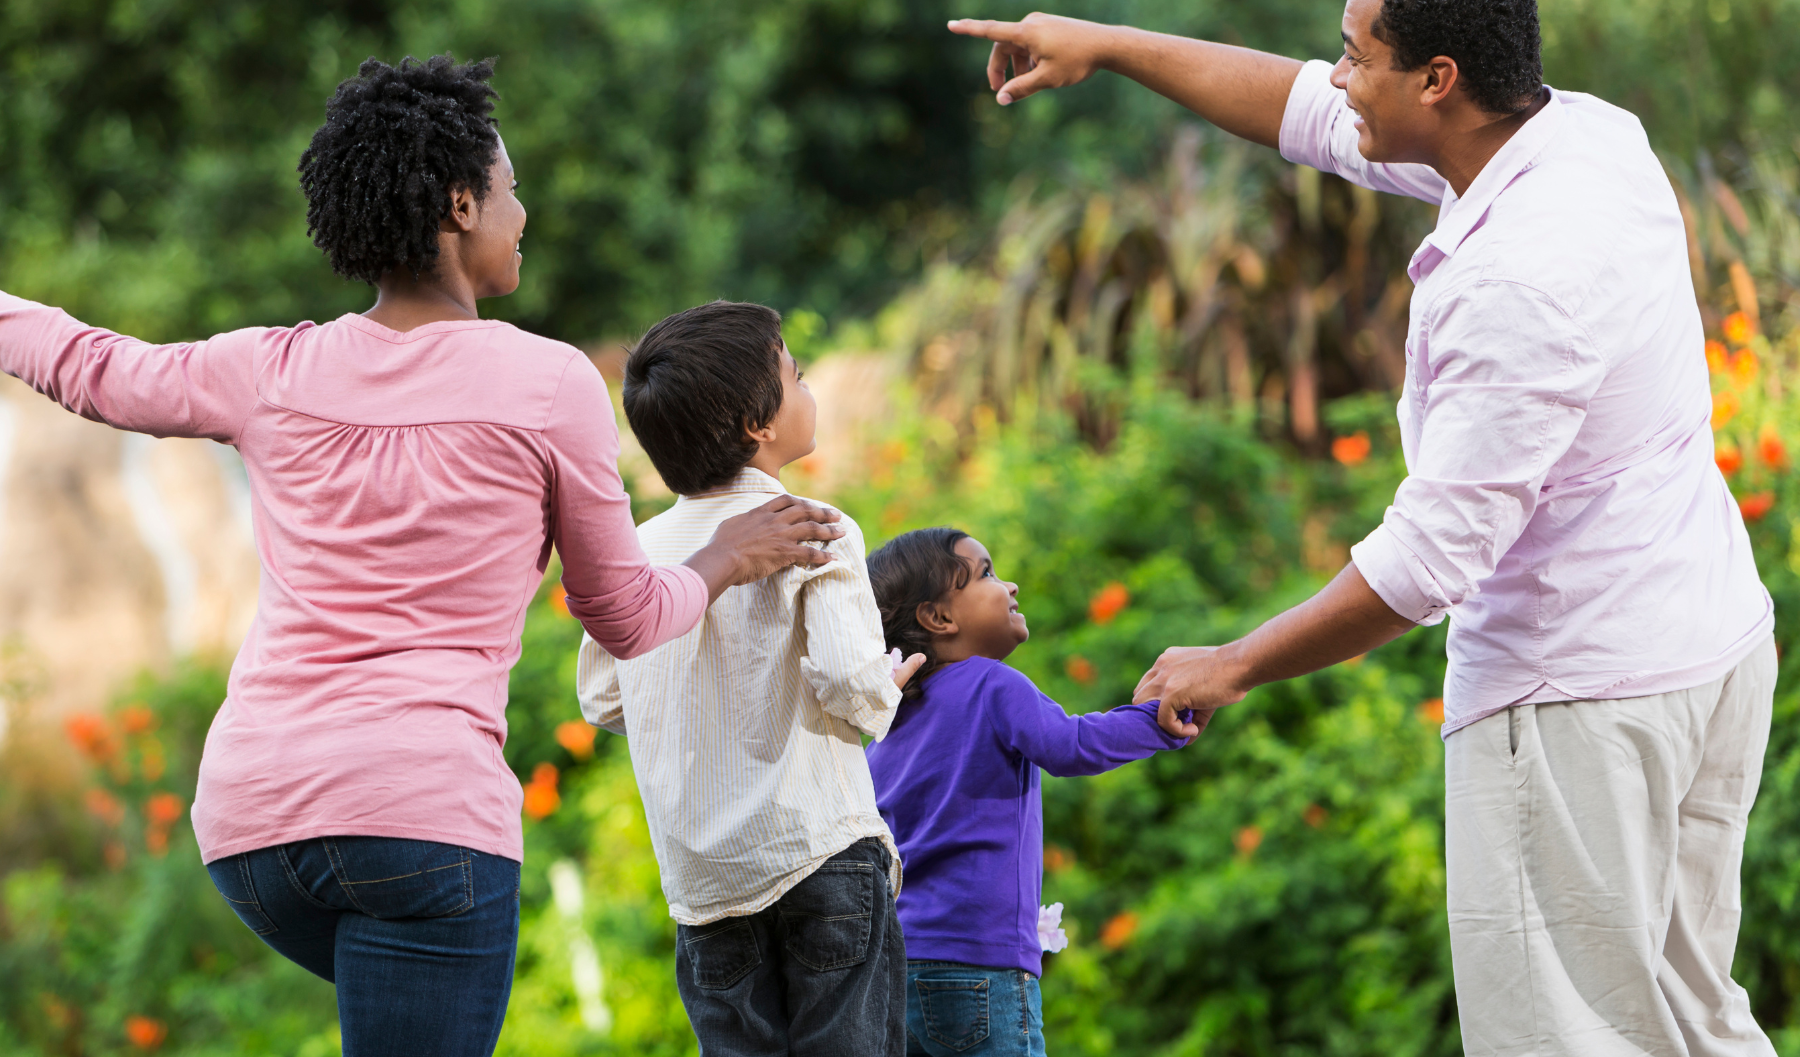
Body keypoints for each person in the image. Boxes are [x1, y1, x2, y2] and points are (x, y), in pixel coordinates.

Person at [952, 0, 1777, 1056]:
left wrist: (1233, 661)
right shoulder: (1577, 135)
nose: (1337, 75)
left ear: (1437, 80)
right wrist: (1106, 44)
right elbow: (1298, 108)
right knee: (1686, 1018)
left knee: (1571, 1038)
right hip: (1700, 646)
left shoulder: (1524, 277)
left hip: (1579, 698)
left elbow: (1426, 564)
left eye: (1356, 54)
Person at [0, 55, 846, 1057]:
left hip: (253, 831)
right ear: (459, 205)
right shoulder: (549, 385)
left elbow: (93, 367)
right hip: (422, 828)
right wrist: (722, 559)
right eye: (511, 188)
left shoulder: (268, 370)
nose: (521, 212)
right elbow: (619, 614)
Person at [576, 300, 927, 1057]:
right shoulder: (817, 524)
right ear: (756, 427)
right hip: (818, 850)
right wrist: (888, 682)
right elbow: (852, 689)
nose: (809, 391)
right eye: (796, 376)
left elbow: (603, 695)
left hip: (705, 886)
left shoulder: (639, 549)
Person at [863, 527, 1195, 1057]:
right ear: (939, 618)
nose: (1010, 585)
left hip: (893, 973)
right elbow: (1073, 744)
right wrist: (1157, 722)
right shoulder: (992, 684)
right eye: (987, 573)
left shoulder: (882, 729)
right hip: (980, 967)